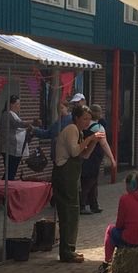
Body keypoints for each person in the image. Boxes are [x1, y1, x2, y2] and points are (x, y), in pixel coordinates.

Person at [53, 105, 103, 262]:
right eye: (84, 119)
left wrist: (94, 142)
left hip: (72, 176)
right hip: (64, 175)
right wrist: (89, 139)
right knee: (68, 212)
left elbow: (85, 155)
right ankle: (66, 251)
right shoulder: (72, 129)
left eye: (89, 119)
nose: (87, 122)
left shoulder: (79, 132)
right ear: (76, 118)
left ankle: (70, 248)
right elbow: (74, 151)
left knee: (73, 211)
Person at [99, 171, 138, 273]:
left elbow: (119, 224)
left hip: (131, 240)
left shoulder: (125, 198)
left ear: (131, 185)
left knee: (110, 230)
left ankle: (107, 264)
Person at [80, 104, 117, 215]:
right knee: (91, 181)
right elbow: (104, 144)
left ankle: (93, 204)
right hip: (94, 157)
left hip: (83, 155)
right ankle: (84, 205)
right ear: (99, 114)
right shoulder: (99, 128)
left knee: (87, 180)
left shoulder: (84, 125)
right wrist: (112, 158)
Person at [0, 95, 33, 180]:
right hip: (10, 148)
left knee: (11, 171)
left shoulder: (12, 114)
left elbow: (18, 127)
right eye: (17, 104)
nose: (19, 106)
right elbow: (18, 124)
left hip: (13, 148)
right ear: (11, 105)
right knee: (10, 171)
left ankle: (6, 184)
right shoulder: (8, 114)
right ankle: (5, 185)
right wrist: (32, 122)